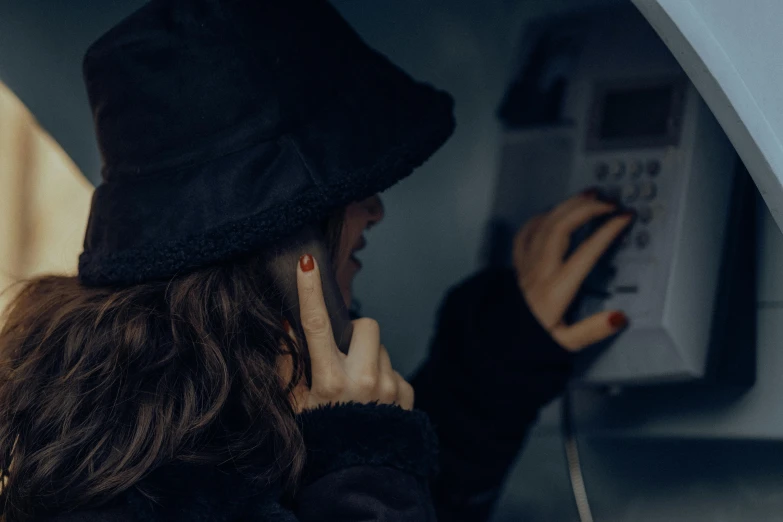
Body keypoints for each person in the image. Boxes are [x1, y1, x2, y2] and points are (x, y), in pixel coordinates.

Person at [0, 0, 631, 521]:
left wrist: (502, 351)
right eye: (341, 188)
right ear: (273, 235)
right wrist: (363, 473)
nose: (375, 209)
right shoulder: (138, 499)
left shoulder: (167, 419)